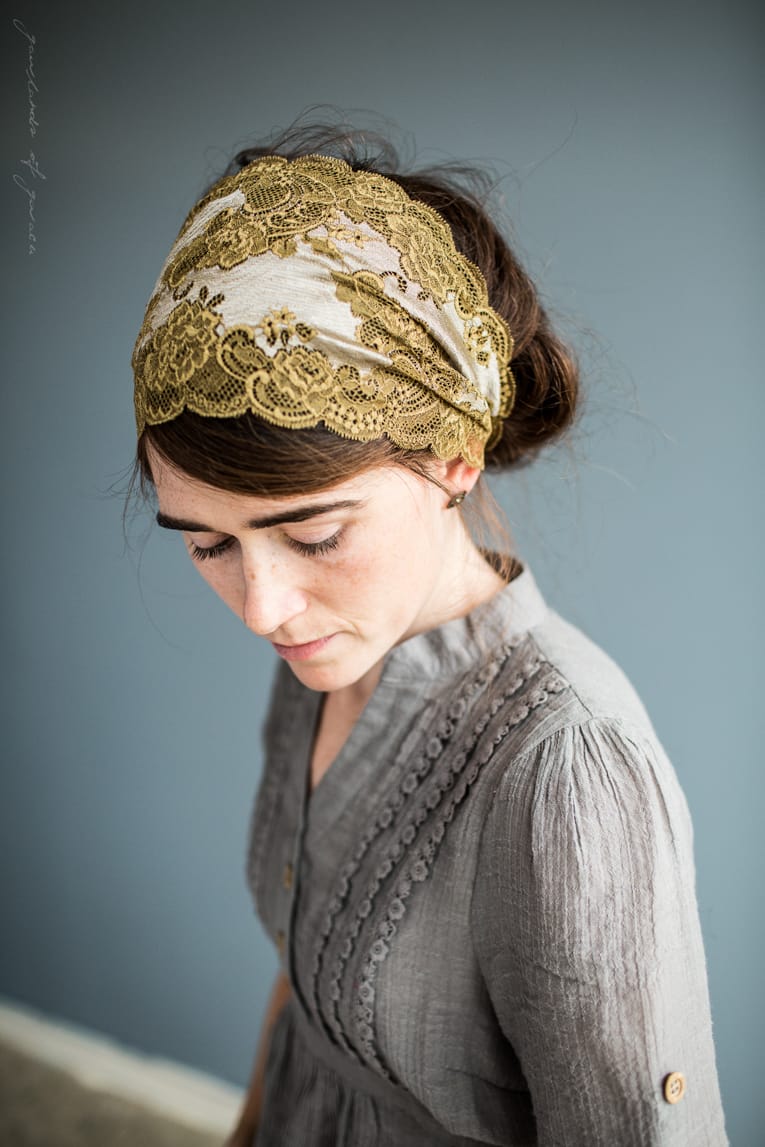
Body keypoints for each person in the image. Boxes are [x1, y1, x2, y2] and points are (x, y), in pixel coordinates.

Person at [130, 123, 727, 1146]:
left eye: (313, 535)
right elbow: (308, 985)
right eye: (208, 544)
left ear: (455, 458)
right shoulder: (327, 654)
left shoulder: (564, 775)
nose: (262, 608)